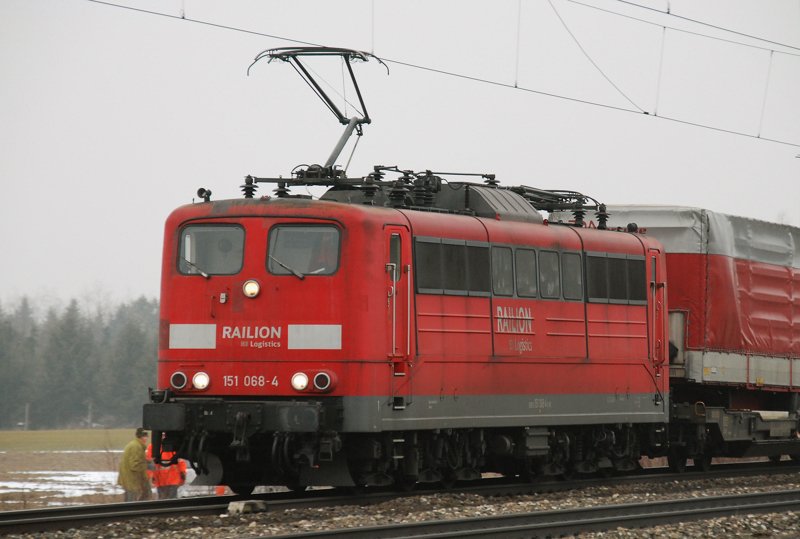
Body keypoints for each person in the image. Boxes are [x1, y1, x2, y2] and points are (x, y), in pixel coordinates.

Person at [117, 427, 152, 501]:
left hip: (130, 478)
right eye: (144, 436)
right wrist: (148, 466)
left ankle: (137, 510)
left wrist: (147, 461)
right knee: (131, 501)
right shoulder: (136, 447)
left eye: (146, 436)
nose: (146, 438)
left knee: (146, 493)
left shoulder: (135, 445)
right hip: (131, 479)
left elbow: (137, 460)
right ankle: (136, 511)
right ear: (141, 437)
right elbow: (134, 465)